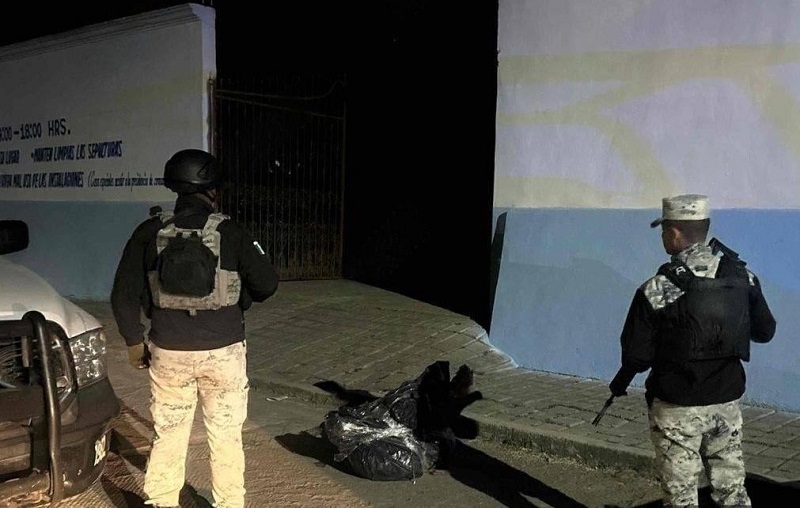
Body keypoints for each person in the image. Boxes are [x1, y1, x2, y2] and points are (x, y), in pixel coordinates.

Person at [111, 148, 279, 508]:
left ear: (175, 187)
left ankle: (161, 502)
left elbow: (123, 294)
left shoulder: (149, 231)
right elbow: (267, 284)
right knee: (226, 436)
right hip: (224, 353)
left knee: (169, 433)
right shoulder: (231, 231)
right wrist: (239, 295)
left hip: (169, 352)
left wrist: (133, 343)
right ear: (213, 190)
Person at [608, 194, 776, 507]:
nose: (662, 238)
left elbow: (636, 357)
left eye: (663, 231)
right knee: (733, 492)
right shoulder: (743, 277)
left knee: (681, 497)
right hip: (726, 401)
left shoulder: (658, 288)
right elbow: (765, 331)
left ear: (673, 233)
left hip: (677, 408)